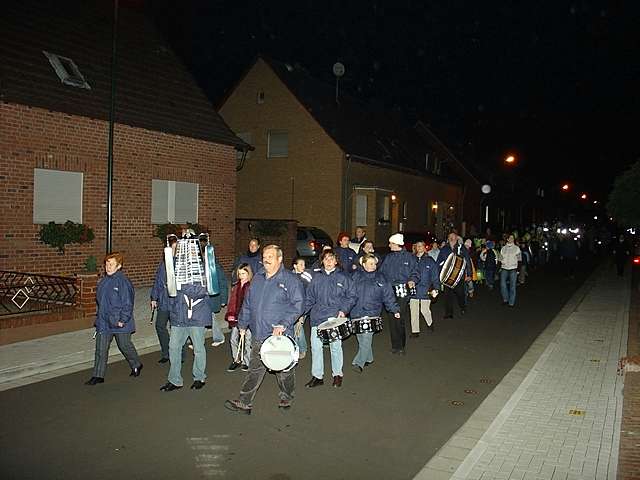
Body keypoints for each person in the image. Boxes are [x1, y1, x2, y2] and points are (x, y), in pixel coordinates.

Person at [224, 245, 304, 414]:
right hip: (259, 334)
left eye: (270, 256)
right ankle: (245, 402)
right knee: (255, 369)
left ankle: (287, 396)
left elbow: (298, 306)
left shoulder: (290, 280)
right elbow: (247, 304)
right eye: (265, 256)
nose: (266, 259)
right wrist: (243, 325)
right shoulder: (258, 278)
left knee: (284, 371)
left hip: (279, 336)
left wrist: (283, 324)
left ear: (279, 259)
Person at [160, 233, 214, 391]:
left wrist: (180, 286)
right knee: (174, 347)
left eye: (189, 249)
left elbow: (203, 291)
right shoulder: (175, 267)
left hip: (196, 315)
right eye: (184, 249)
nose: (186, 252)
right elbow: (169, 292)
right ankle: (175, 379)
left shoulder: (202, 267)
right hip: (179, 316)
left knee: (198, 348)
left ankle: (199, 377)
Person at [85, 253, 142, 385]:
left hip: (119, 321)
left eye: (111, 264)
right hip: (104, 322)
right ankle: (98, 375)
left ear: (119, 266)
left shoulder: (123, 282)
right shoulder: (104, 281)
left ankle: (136, 364)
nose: (108, 267)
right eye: (106, 264)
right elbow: (101, 302)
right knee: (101, 348)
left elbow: (128, 303)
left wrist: (123, 320)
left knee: (124, 346)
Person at [304, 249, 357, 388]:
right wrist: (301, 314)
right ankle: (317, 376)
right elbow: (309, 298)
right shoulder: (316, 278)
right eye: (326, 259)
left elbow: (352, 296)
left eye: (331, 258)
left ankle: (337, 374)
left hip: (334, 317)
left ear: (336, 261)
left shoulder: (343, 278)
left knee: (335, 347)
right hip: (317, 317)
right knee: (316, 347)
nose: (328, 261)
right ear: (322, 261)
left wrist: (343, 310)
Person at [351, 254, 400, 372]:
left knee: (367, 337)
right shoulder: (355, 276)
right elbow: (348, 293)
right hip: (356, 312)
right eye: (370, 263)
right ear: (363, 264)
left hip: (372, 312)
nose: (373, 266)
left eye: (375, 264)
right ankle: (369, 358)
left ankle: (359, 362)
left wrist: (395, 309)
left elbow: (388, 296)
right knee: (361, 337)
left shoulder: (381, 278)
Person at [378, 233, 419, 354]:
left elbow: (415, 272)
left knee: (399, 317)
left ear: (397, 244)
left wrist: (412, 280)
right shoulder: (389, 257)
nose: (389, 245)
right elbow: (382, 273)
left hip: (402, 288)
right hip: (390, 289)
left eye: (391, 243)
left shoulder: (409, 257)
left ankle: (401, 345)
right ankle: (395, 345)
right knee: (391, 316)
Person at [150, 234, 187, 364]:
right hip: (164, 301)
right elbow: (158, 282)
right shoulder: (163, 265)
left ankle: (180, 353)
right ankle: (166, 352)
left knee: (177, 327)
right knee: (160, 326)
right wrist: (154, 297)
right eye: (171, 249)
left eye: (175, 249)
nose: (173, 251)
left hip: (176, 302)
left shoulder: (183, 265)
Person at [436, 232, 472, 319]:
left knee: (460, 293)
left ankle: (463, 306)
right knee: (447, 295)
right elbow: (438, 262)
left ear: (457, 238)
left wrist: (469, 274)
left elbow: (467, 261)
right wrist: (439, 274)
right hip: (447, 276)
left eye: (454, 237)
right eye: (450, 237)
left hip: (459, 276)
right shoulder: (444, 249)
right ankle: (449, 313)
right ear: (448, 239)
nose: (452, 238)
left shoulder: (462, 248)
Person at [225, 263, 253, 372]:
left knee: (248, 340)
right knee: (233, 339)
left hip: (248, 318)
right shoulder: (236, 286)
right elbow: (232, 301)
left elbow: (251, 305)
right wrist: (230, 313)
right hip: (236, 317)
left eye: (243, 274)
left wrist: (248, 319)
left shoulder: (251, 286)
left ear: (248, 274)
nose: (241, 276)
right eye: (239, 274)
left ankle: (247, 361)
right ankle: (236, 359)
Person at [410, 244, 440, 336]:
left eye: (421, 246)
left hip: (426, 288)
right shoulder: (411, 259)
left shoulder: (430, 261)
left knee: (424, 309)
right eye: (417, 246)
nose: (419, 248)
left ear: (425, 248)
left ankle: (430, 323)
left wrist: (436, 288)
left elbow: (435, 276)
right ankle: (415, 331)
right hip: (413, 288)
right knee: (413, 310)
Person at [292, 257, 312, 359]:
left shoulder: (306, 277)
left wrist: (304, 311)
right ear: (295, 266)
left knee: (298, 328)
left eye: (304, 264)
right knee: (292, 329)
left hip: (302, 307)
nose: (303, 267)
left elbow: (309, 293)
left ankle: (303, 348)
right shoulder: (290, 276)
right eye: (301, 264)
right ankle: (295, 348)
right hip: (291, 307)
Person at [499, 234, 522, 307]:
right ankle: (505, 299)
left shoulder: (517, 248)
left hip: (513, 268)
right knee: (502, 284)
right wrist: (498, 268)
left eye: (513, 238)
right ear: (507, 239)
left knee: (512, 286)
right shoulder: (503, 248)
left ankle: (511, 302)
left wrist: (518, 270)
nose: (512, 239)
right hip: (504, 268)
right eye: (511, 238)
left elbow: (520, 260)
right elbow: (500, 259)